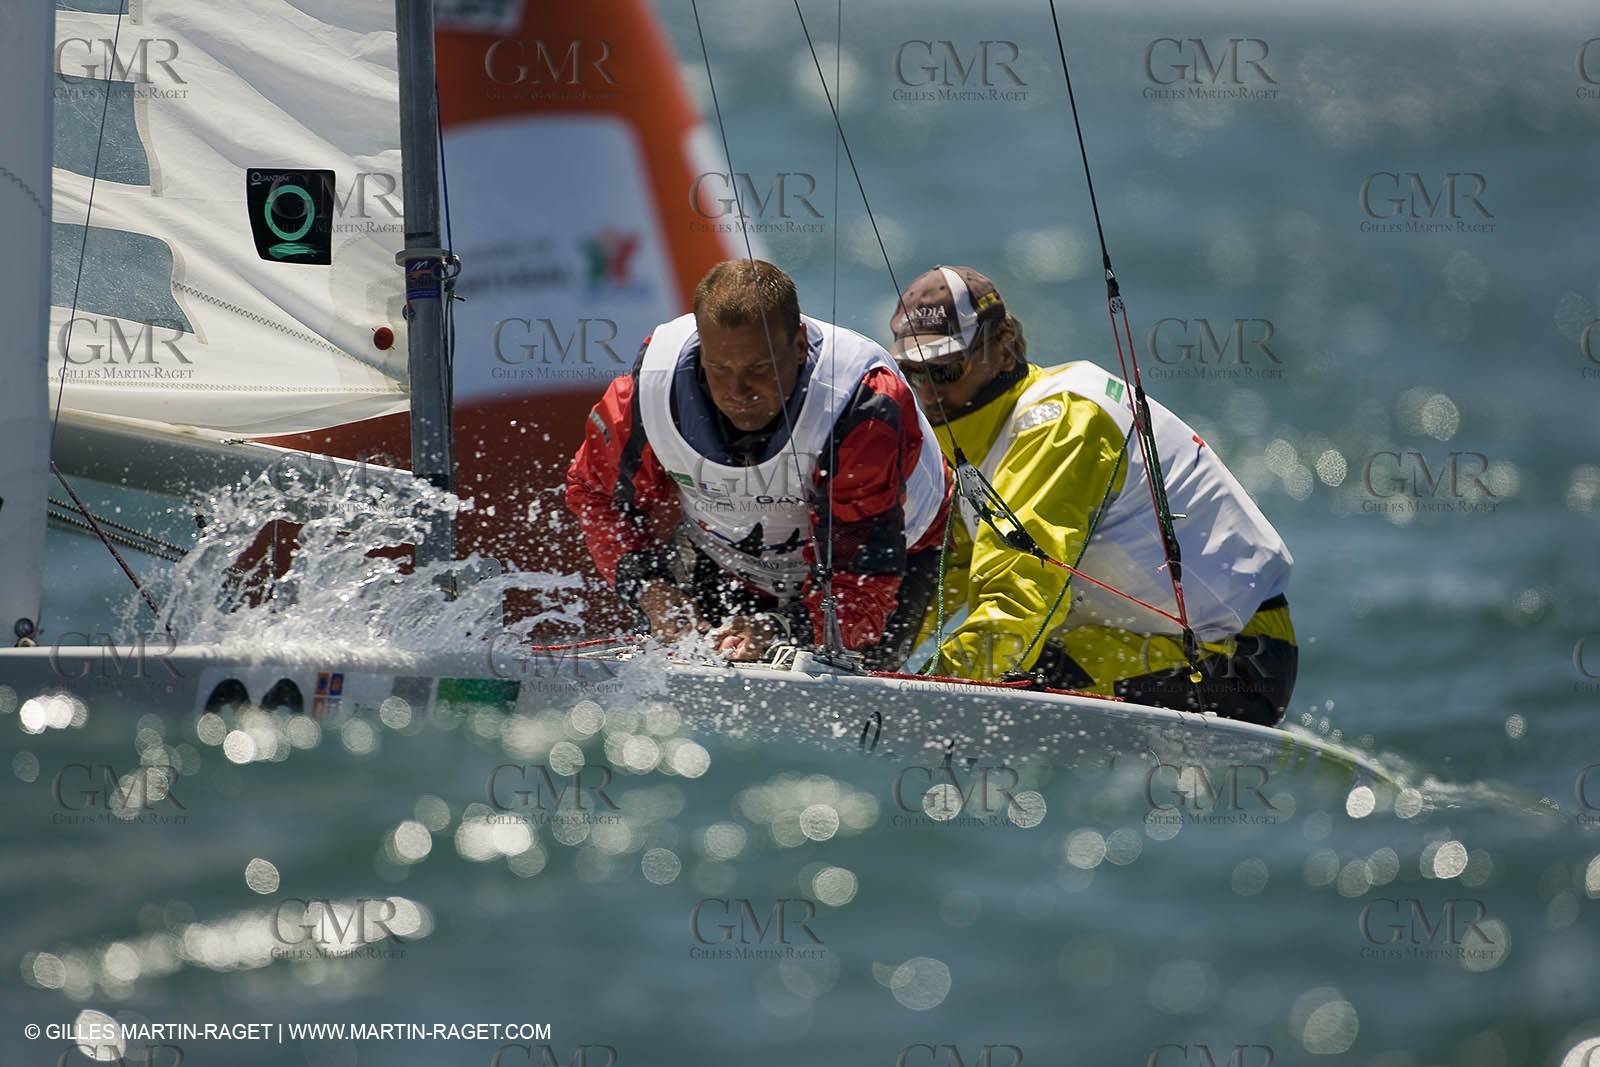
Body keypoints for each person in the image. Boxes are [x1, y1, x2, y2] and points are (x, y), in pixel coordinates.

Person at [888, 265, 1296, 725]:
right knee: (1002, 658)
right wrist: (864, 660)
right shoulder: (975, 444)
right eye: (911, 374)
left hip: (1233, 660)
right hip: (1126, 644)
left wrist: (921, 695)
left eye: (944, 370)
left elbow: (1018, 595)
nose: (927, 393)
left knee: (1015, 671)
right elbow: (947, 571)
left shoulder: (1061, 422)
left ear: (1004, 349)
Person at [567, 258, 952, 667]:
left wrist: (779, 629)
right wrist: (649, 590)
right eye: (719, 368)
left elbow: (861, 586)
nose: (738, 391)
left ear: (799, 345)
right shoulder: (646, 390)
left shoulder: (862, 405)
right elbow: (597, 496)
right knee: (681, 655)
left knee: (842, 664)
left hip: (885, 561)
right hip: (725, 554)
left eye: (759, 368)